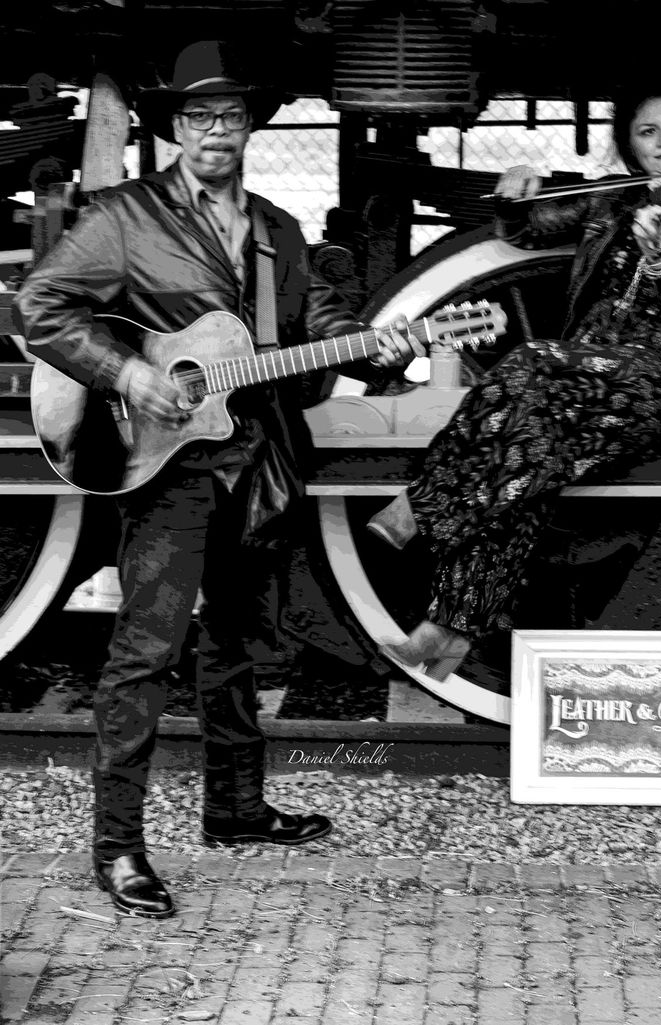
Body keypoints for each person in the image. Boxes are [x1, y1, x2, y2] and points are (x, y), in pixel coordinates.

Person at [14, 40, 421, 919]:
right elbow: (39, 309)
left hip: (257, 460)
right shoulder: (126, 216)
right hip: (166, 463)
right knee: (146, 654)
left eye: (231, 115)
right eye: (199, 115)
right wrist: (130, 376)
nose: (215, 130)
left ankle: (234, 810)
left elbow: (320, 328)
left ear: (251, 126)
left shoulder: (277, 229)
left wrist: (376, 349)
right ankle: (118, 848)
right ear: (175, 127)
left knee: (239, 644)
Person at [366, 83, 661, 677]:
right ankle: (451, 627)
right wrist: (516, 190)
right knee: (525, 458)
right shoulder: (610, 201)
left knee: (531, 360)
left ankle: (424, 505)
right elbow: (526, 229)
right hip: (586, 383)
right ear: (629, 146)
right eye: (649, 131)